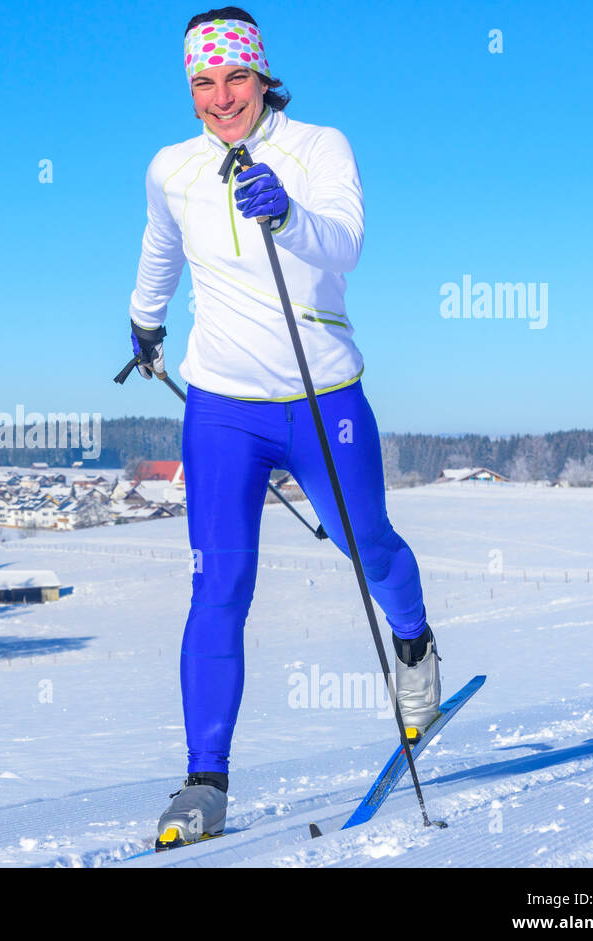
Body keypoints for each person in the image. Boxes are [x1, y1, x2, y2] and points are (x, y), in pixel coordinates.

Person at [127, 6, 441, 849]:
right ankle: (205, 780)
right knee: (218, 587)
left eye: (234, 77)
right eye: (203, 81)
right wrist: (144, 320)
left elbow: (346, 244)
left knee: (365, 541)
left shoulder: (318, 148)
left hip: (322, 399)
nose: (220, 97)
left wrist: (289, 213)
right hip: (222, 406)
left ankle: (413, 645)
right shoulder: (173, 168)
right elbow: (161, 248)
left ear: (263, 75)